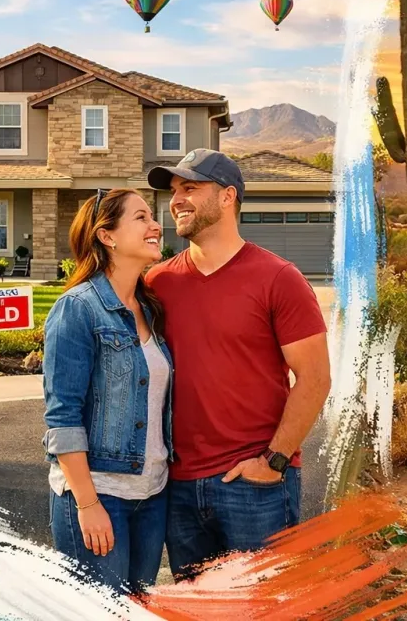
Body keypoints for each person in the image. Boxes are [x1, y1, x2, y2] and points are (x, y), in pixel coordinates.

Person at [145, 148, 330, 582]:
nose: (176, 200)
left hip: (256, 487)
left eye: (190, 188)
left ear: (228, 197)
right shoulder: (159, 283)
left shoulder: (278, 278)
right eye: (174, 191)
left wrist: (274, 461)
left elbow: (315, 378)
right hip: (179, 486)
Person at [42, 188, 173, 595]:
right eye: (141, 217)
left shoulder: (149, 307)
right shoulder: (77, 308)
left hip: (152, 493)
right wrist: (87, 503)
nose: (155, 225)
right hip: (100, 494)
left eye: (152, 216)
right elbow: (63, 416)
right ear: (107, 236)